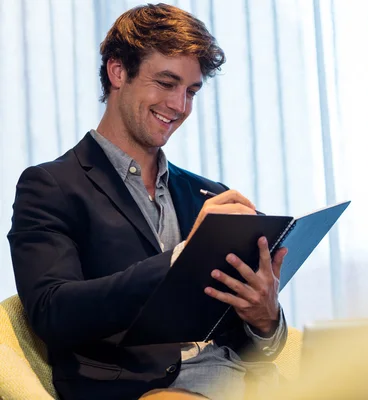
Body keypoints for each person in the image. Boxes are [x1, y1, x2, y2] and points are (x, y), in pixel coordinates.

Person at [7, 4, 288, 400]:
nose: (179, 106)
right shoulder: (50, 186)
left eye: (191, 91)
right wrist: (182, 260)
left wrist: (265, 319)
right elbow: (53, 312)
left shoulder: (209, 195)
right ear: (118, 71)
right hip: (146, 391)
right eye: (166, 83)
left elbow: (260, 348)